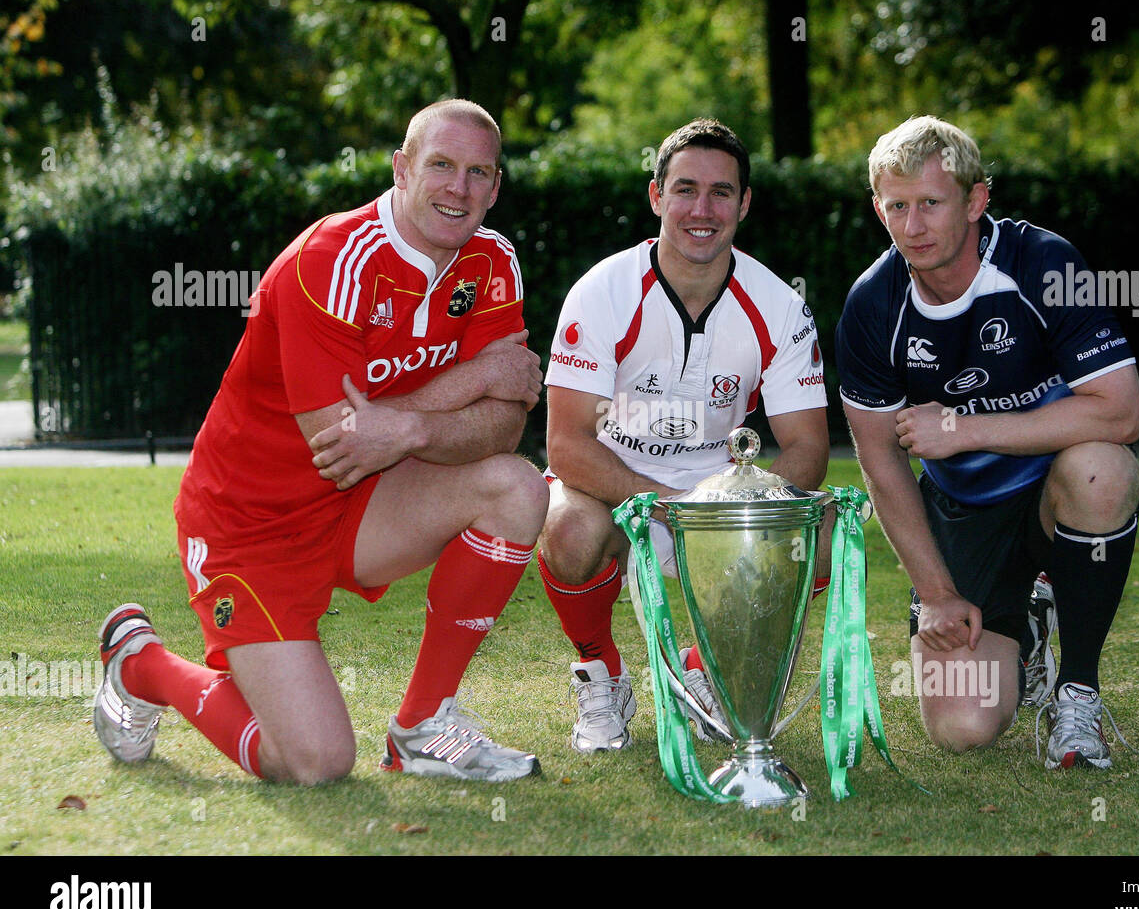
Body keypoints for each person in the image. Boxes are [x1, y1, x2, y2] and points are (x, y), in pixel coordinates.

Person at [92, 99, 550, 784]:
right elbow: (339, 442)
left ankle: (424, 727)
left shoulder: (493, 260)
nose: (459, 188)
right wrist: (476, 376)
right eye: (441, 166)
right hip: (251, 522)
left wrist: (413, 425)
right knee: (315, 763)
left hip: (362, 506)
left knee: (516, 485)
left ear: (495, 186)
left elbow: (505, 426)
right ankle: (142, 663)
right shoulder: (331, 257)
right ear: (402, 169)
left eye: (478, 173)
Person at [836, 116, 1139, 770]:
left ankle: (1078, 692)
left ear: (975, 201)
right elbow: (879, 458)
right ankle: (1028, 627)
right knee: (962, 727)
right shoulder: (871, 305)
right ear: (878, 209)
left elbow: (1121, 413)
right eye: (897, 206)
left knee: (1103, 473)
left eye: (930, 203)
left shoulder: (1044, 262)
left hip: (1052, 493)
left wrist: (964, 429)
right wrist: (937, 591)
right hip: (959, 512)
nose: (913, 226)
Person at [538, 118, 831, 753]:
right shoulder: (603, 291)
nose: (703, 210)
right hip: (614, 488)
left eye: (722, 193)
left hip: (718, 495)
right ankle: (600, 673)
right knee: (567, 528)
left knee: (822, 535)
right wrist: (659, 503)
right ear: (656, 197)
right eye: (685, 189)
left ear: (745, 203)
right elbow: (565, 446)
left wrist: (737, 510)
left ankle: (702, 672)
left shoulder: (779, 305)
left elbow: (808, 448)